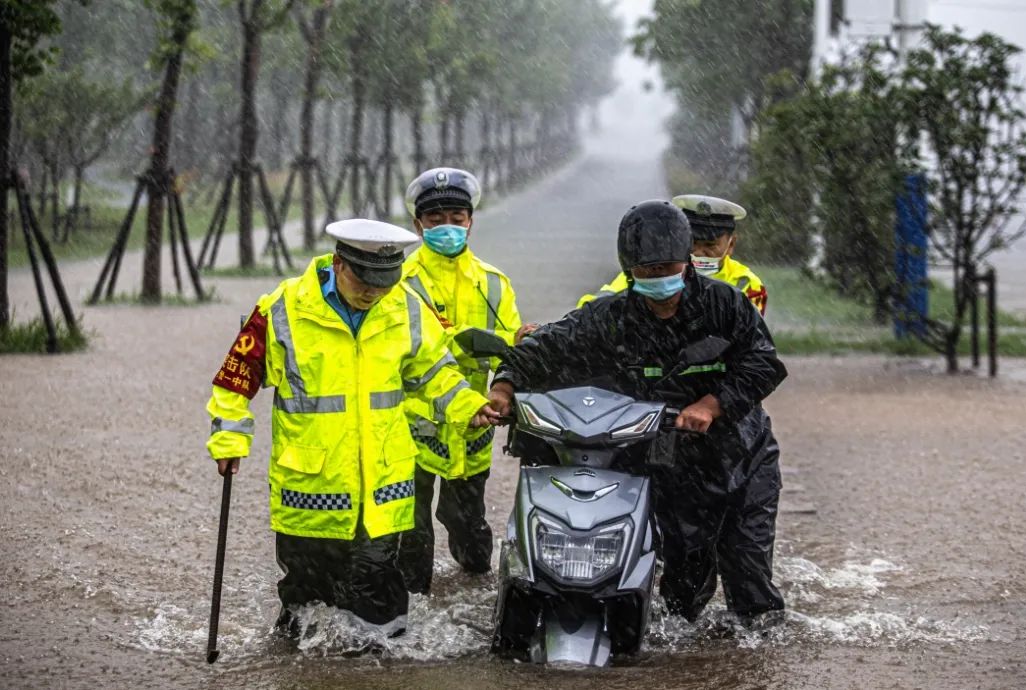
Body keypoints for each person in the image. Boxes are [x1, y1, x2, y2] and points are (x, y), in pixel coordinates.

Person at [488, 200, 788, 625]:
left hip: (742, 454)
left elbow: (764, 363)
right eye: (648, 272)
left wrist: (711, 404)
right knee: (684, 585)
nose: (660, 280)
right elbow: (544, 349)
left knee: (748, 573)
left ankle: (753, 656)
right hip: (671, 461)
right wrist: (504, 388)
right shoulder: (609, 317)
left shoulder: (726, 304)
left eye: (669, 268)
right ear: (630, 271)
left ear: (686, 262)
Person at [205, 218, 500, 639]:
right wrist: (230, 440)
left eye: (384, 282)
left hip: (384, 488)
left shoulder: (406, 306)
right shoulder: (284, 308)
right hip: (310, 489)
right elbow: (234, 383)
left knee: (381, 605)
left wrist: (469, 404)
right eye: (365, 282)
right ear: (339, 264)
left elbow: (437, 373)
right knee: (305, 604)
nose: (374, 293)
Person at [396, 167, 529, 595]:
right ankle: (412, 610)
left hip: (473, 426)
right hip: (408, 428)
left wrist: (511, 368)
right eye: (435, 220)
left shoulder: (494, 283)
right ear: (418, 225)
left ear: (471, 220)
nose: (447, 227)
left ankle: (474, 592)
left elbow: (512, 354)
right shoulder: (399, 280)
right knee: (409, 529)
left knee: (467, 523)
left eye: (457, 216)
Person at [577, 195, 768, 316]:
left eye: (710, 245)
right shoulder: (660, 271)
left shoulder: (746, 284)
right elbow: (603, 300)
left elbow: (748, 336)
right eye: (692, 244)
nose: (699, 252)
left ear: (731, 244)